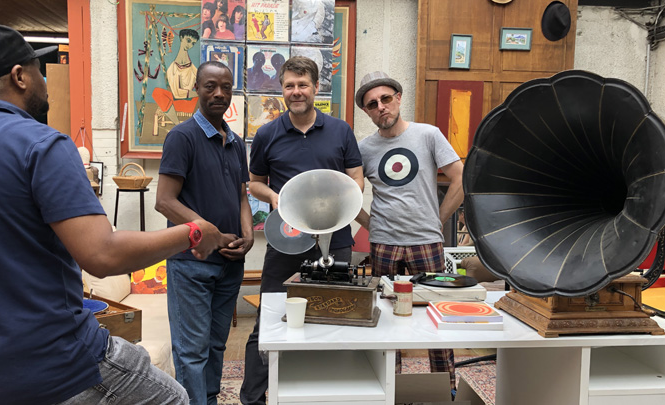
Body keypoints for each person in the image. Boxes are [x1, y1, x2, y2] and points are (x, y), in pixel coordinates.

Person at [0, 23, 232, 404]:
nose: (45, 82)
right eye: (40, 71)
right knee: (174, 397)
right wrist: (193, 232)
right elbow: (103, 254)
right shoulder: (40, 144)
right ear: (19, 76)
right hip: (56, 363)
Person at [239, 56, 364, 405]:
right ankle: (252, 398)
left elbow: (356, 178)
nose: (296, 91)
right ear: (282, 89)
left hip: (335, 240)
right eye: (290, 85)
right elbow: (254, 184)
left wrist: (349, 201)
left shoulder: (341, 130)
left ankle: (325, 393)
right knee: (270, 318)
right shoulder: (266, 134)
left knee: (335, 316)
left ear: (316, 88)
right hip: (286, 241)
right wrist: (277, 198)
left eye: (303, 85)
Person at [354, 71, 464, 400]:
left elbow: (461, 178)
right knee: (386, 319)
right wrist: (371, 225)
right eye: (372, 104)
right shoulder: (364, 148)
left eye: (386, 99)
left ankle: (447, 390)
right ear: (367, 112)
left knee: (436, 317)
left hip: (426, 243)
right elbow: (346, 196)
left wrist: (437, 220)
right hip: (384, 246)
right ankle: (390, 388)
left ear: (399, 98)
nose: (381, 107)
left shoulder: (428, 135)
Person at [156, 61, 254, 405]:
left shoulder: (235, 141)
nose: (219, 94)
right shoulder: (182, 137)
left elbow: (242, 194)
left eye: (226, 87)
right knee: (191, 352)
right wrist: (209, 231)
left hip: (230, 263)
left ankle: (208, 399)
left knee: (215, 345)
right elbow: (164, 201)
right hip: (192, 264)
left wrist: (248, 234)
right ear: (196, 88)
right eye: (210, 86)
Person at [152, 28, 200, 135]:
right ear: (181, 38)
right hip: (178, 101)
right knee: (157, 92)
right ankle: (177, 124)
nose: (190, 45)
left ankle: (178, 126)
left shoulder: (193, 69)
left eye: (193, 43)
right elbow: (177, 94)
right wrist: (197, 93)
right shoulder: (173, 68)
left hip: (190, 103)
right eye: (188, 41)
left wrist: (196, 94)